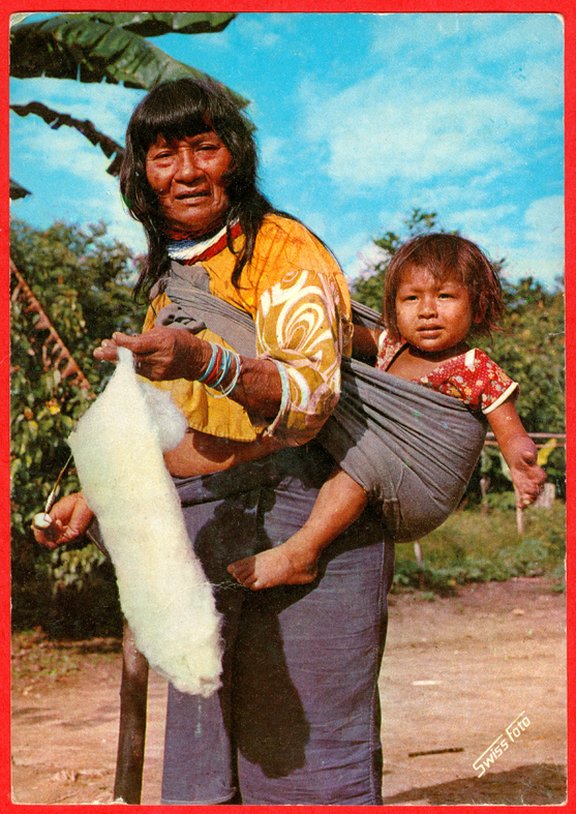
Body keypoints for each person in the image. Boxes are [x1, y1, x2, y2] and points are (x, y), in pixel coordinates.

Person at [34, 77, 394, 805]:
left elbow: (309, 405)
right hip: (215, 527)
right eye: (165, 155)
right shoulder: (173, 280)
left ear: (238, 157)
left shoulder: (283, 253)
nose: (188, 171)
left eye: (207, 147)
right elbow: (179, 431)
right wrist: (97, 492)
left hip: (310, 519)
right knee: (215, 756)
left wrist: (207, 361)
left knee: (308, 770)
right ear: (141, 172)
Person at [226, 233, 547, 591]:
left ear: (478, 305)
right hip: (377, 465)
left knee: (363, 460)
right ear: (394, 307)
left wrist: (520, 461)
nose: (427, 311)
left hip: (420, 488)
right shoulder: (390, 345)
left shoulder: (474, 367)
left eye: (445, 296)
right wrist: (295, 311)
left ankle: (303, 553)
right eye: (411, 298)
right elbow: (337, 334)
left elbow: (509, 428)